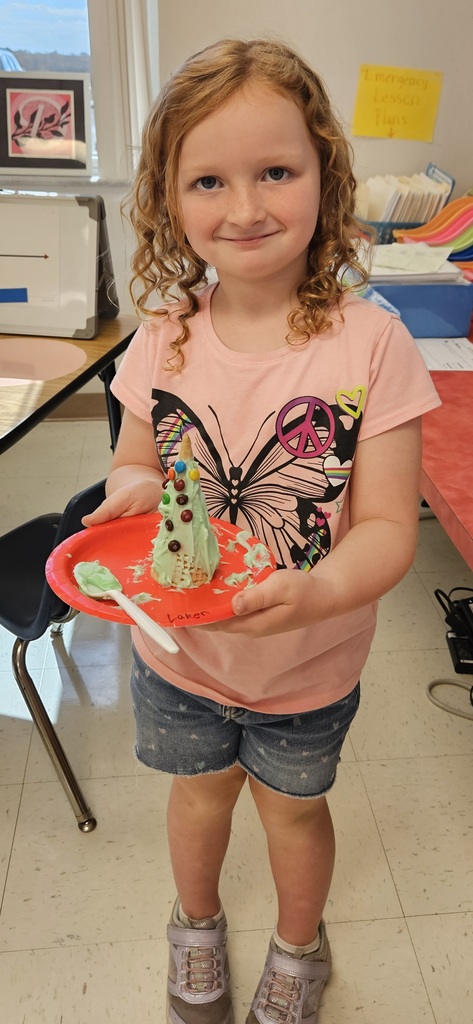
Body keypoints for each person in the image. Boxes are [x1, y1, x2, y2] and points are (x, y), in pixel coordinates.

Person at [84, 38, 440, 1024]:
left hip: (308, 666)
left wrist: (319, 591)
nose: (242, 208)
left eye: (274, 172)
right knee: (197, 800)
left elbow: (380, 525)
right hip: (180, 653)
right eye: (208, 179)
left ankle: (296, 943)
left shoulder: (372, 344)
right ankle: (193, 927)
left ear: (324, 176)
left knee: (291, 809)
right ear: (168, 196)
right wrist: (123, 493)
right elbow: (137, 463)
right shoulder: (162, 335)